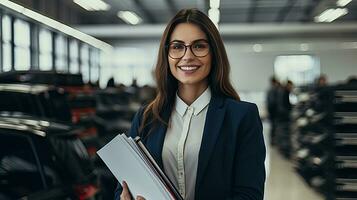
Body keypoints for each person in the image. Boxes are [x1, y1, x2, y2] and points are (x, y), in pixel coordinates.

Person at [115, 8, 266, 200]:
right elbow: (123, 186)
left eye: (199, 46)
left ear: (214, 53)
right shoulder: (147, 116)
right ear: (167, 54)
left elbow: (249, 195)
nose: (187, 56)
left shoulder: (242, 116)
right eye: (177, 46)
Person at [266, 76, 279, 145]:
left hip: (271, 112)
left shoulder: (270, 90)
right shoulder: (273, 90)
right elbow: (272, 102)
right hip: (273, 112)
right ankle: (273, 141)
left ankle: (273, 141)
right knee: (274, 127)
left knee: (273, 127)